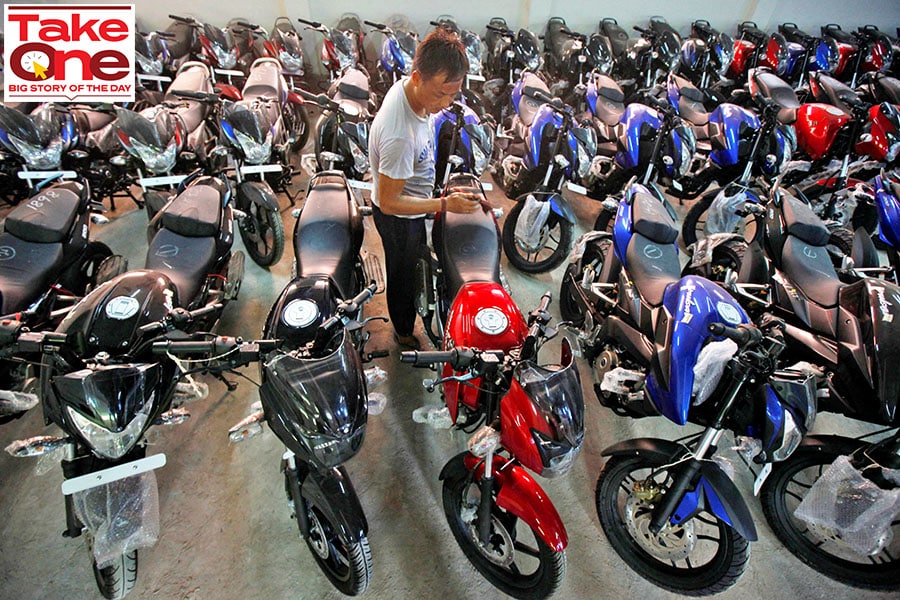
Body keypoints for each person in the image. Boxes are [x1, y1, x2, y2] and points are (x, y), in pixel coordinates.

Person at [368, 28, 484, 350]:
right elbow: (390, 203)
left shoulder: (410, 90)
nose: (446, 103)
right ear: (417, 77)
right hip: (398, 217)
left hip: (415, 199)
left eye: (453, 94)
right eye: (440, 95)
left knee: (416, 258)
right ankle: (403, 332)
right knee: (402, 274)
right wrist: (444, 204)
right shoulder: (399, 134)